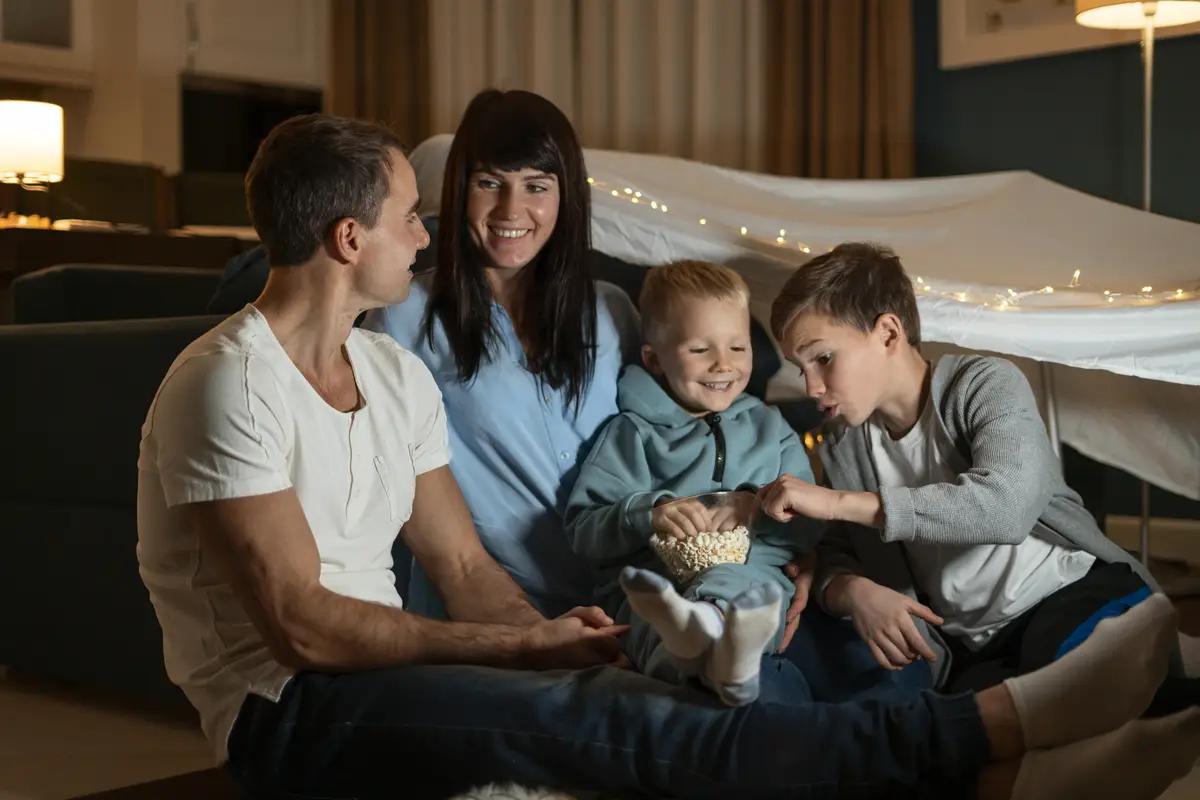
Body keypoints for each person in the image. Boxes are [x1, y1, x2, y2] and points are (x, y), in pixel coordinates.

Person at [136, 110, 1200, 800]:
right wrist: (519, 653)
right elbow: (304, 626)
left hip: (445, 642)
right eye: (418, 214)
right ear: (348, 240)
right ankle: (994, 729)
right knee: (624, 727)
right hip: (293, 710)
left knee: (653, 706)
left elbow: (462, 566)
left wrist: (558, 632)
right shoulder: (231, 377)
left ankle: (1010, 779)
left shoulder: (394, 373)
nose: (431, 235)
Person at [361, 89, 820, 636]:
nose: (512, 210)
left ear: (566, 196)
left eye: (536, 186)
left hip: (640, 602)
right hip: (495, 611)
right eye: (489, 183)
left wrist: (782, 553)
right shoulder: (403, 318)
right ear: (460, 187)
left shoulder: (613, 313)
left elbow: (689, 441)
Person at [759, 242, 1196, 709]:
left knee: (1079, 696)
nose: (810, 387)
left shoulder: (985, 384)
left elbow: (1005, 507)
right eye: (800, 368)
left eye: (823, 358)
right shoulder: (845, 445)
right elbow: (836, 552)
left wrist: (836, 502)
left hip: (1069, 593)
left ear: (888, 333)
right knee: (959, 740)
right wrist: (850, 590)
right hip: (973, 644)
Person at [563, 260, 830, 706]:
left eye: (737, 348)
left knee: (749, 589)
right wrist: (647, 514)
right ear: (654, 358)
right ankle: (700, 658)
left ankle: (717, 640)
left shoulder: (770, 427)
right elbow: (583, 529)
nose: (723, 364)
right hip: (660, 584)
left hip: (752, 574)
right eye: (700, 350)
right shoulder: (633, 433)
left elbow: (809, 523)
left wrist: (758, 508)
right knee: (645, 612)